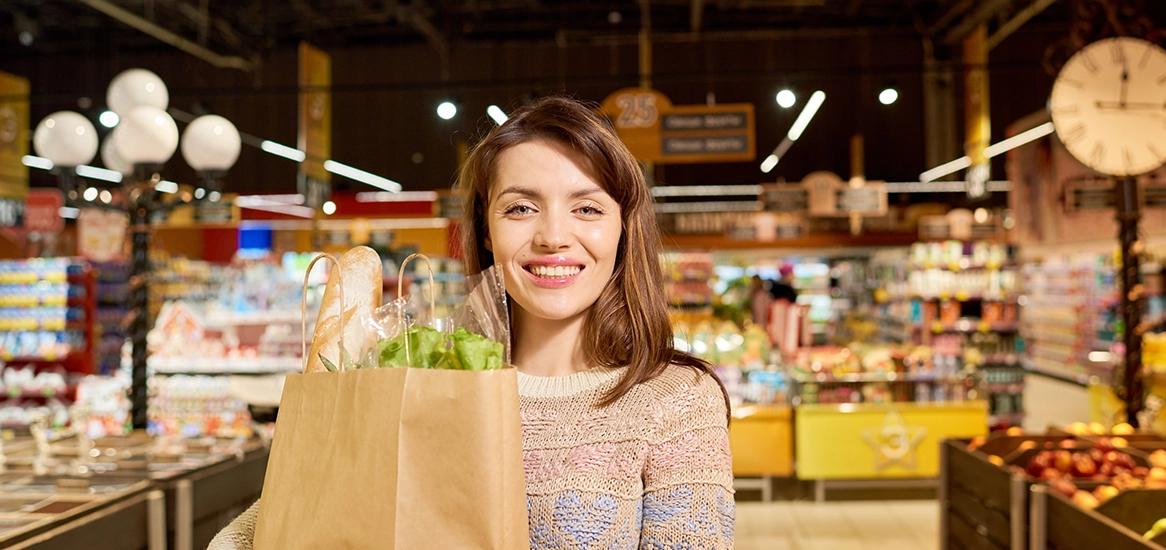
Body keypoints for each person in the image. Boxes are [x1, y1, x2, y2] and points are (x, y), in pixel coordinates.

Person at [209, 97, 734, 549]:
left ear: (623, 227)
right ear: (486, 230)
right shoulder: (426, 379)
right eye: (521, 208)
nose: (553, 236)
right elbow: (265, 528)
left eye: (588, 209)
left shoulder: (676, 400)